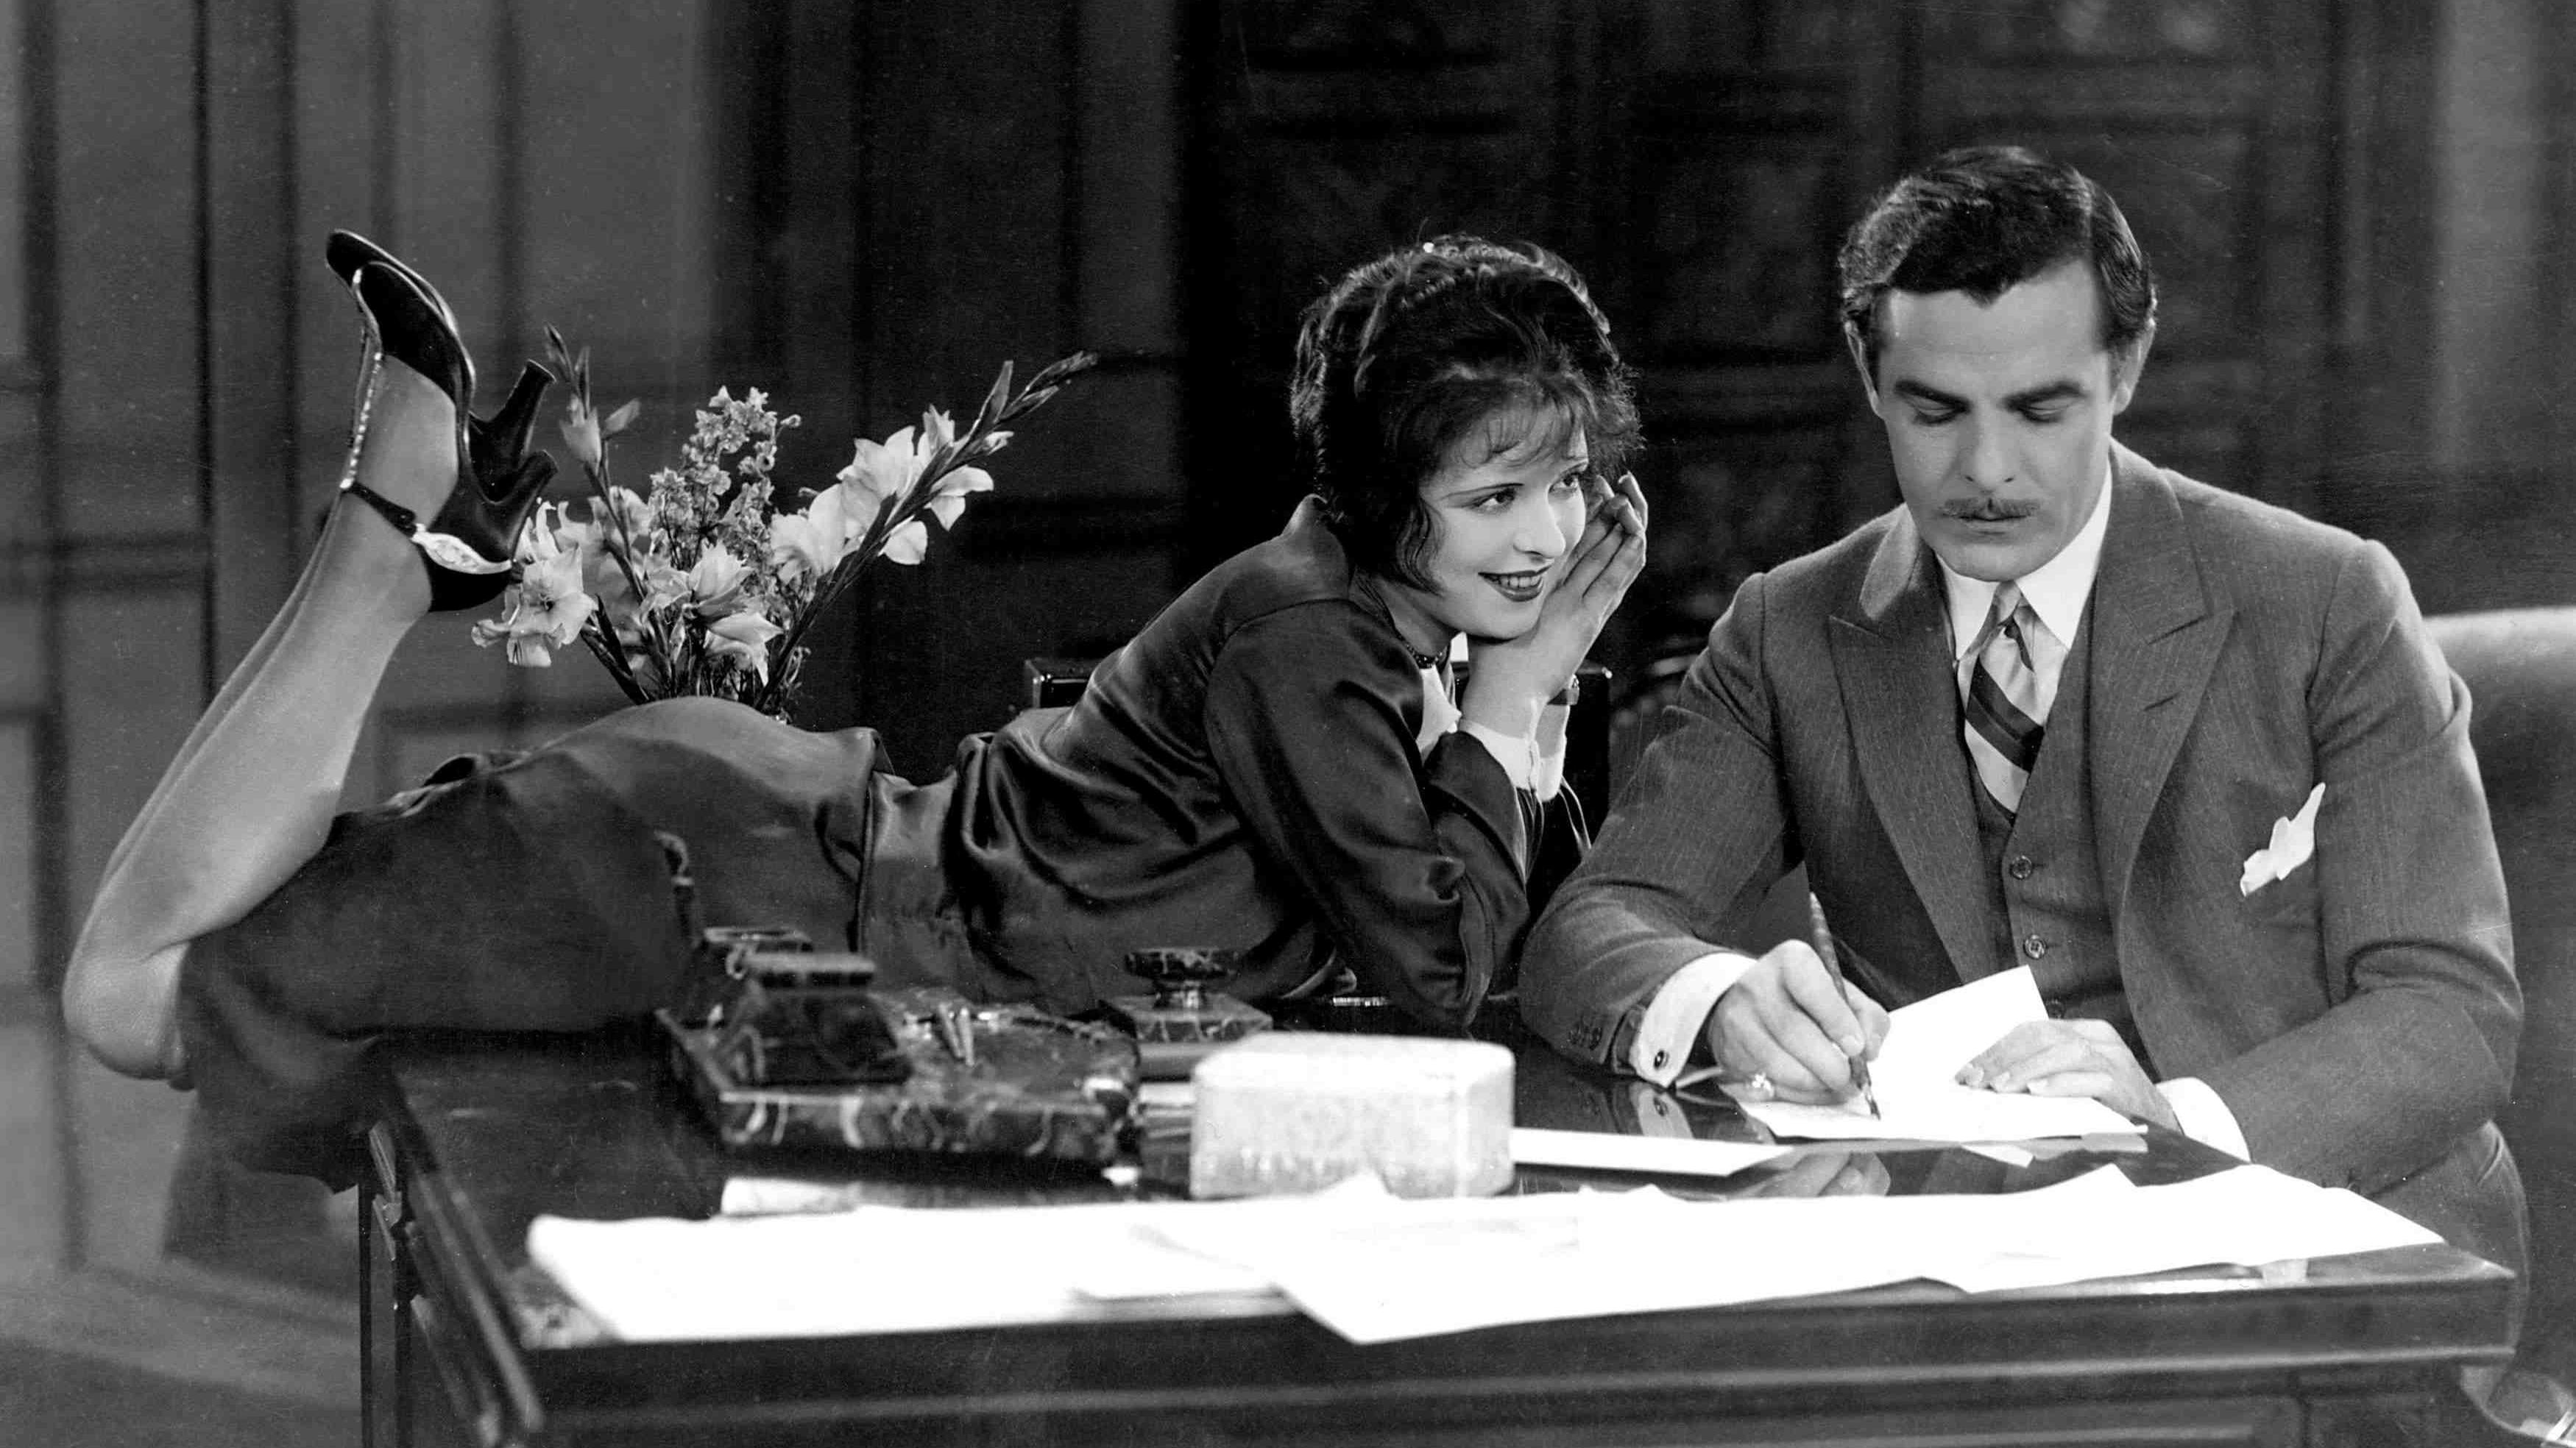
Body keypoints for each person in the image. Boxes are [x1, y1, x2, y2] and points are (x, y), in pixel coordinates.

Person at [63, 232, 1648, 1185]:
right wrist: (1521, 694)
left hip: (767, 867)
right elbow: (1444, 971)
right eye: (1495, 490)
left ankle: (427, 536)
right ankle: (393, 526)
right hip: (718, 876)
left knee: (177, 974)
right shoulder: (1307, 630)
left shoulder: (1363, 623)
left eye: (1569, 480)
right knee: (129, 1000)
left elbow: (1496, 913)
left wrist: (1523, 694)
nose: (1546, 535)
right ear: (1389, 489)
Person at [1518, 146, 2524, 1272]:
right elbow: (1588, 933)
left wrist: (2179, 1120)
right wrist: (1715, 999)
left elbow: (2449, 1014)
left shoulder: (2331, 601)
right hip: (1966, 1281)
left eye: (2043, 409)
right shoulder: (1789, 630)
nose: (1986, 468)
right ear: (1867, 373)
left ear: (2126, 368)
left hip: (2339, 1256)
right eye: (1935, 411)